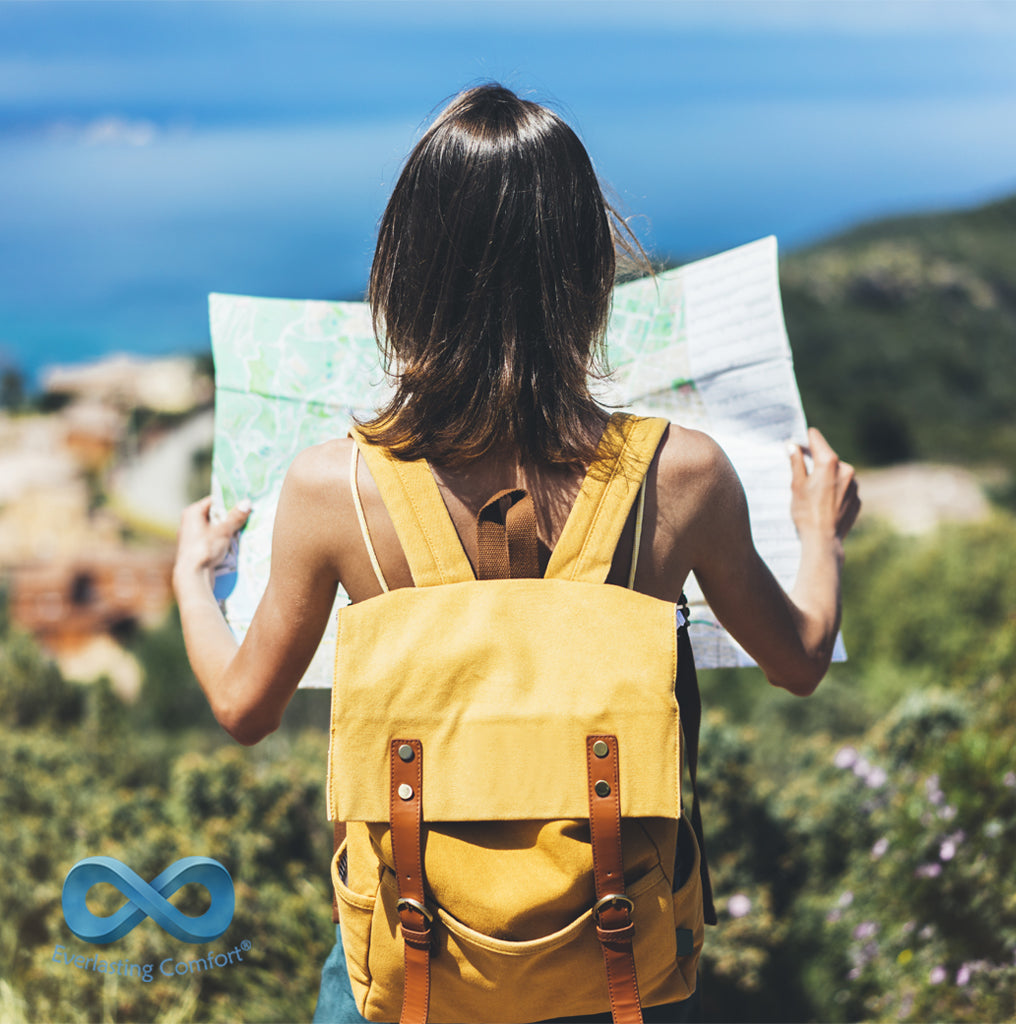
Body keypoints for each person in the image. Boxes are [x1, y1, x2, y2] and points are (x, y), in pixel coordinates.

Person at [173, 84, 860, 1023]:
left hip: (404, 972)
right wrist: (819, 533)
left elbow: (243, 707)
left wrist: (191, 579)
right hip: (614, 968)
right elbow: (802, 658)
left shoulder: (335, 489)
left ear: (404, 273)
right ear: (589, 270)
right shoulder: (681, 475)